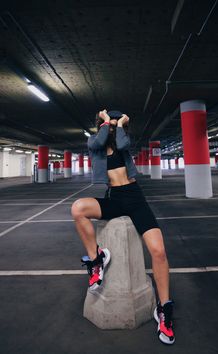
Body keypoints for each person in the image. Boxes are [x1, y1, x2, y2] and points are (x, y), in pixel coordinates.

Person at [71, 109, 175, 345]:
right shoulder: (95, 143)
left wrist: (119, 124)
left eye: (116, 124)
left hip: (135, 198)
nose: (112, 127)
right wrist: (108, 121)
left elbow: (122, 142)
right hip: (114, 198)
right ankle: (96, 259)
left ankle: (164, 310)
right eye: (107, 124)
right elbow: (98, 140)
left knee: (159, 252)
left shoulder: (122, 141)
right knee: (78, 208)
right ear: (101, 124)